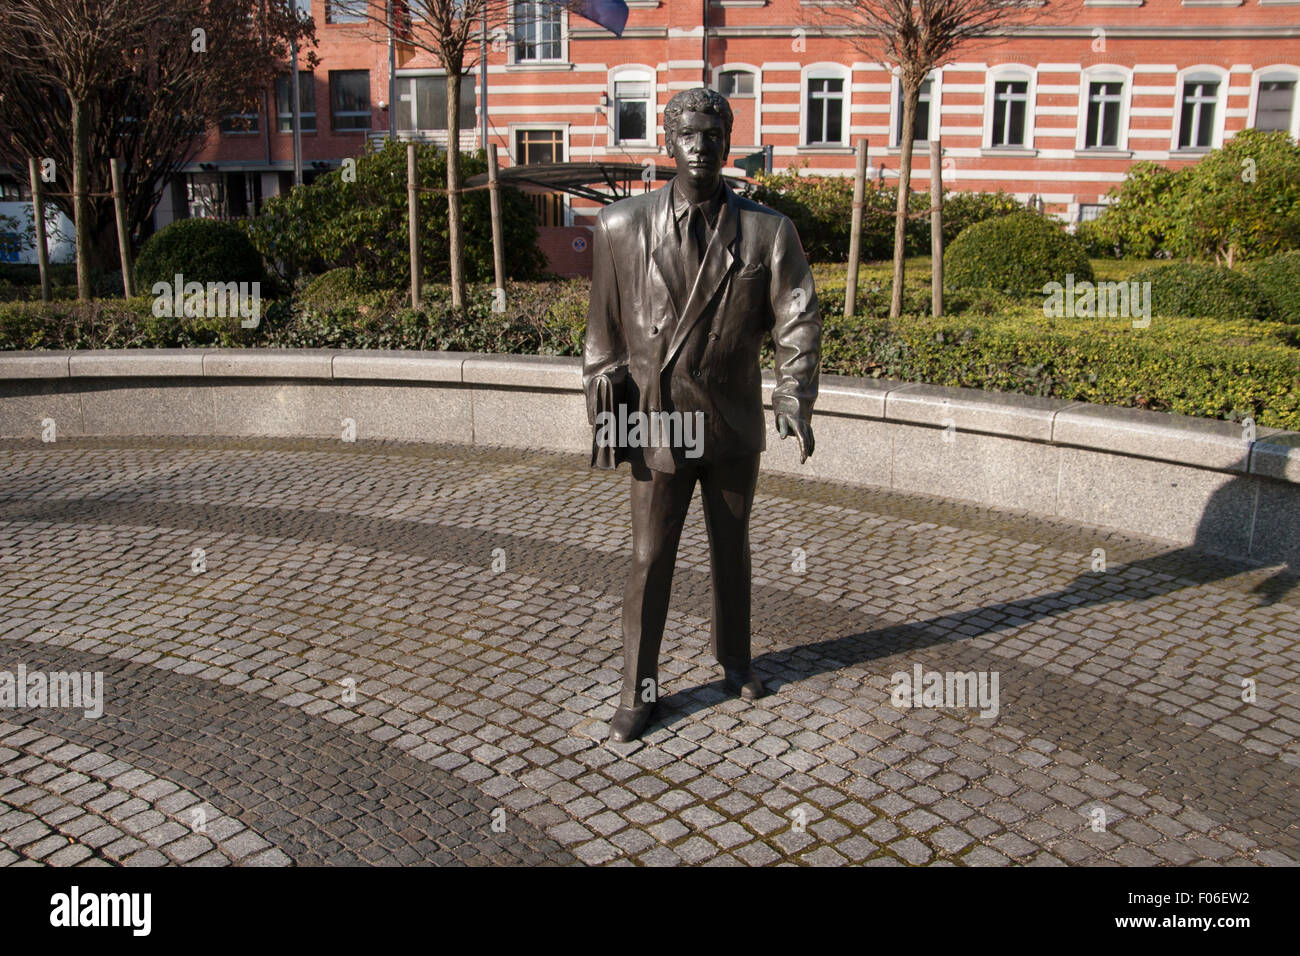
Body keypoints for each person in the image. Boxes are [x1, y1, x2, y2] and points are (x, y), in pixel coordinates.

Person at [583, 87, 822, 742]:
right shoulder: (620, 227)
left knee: (730, 551)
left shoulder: (766, 231)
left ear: (729, 142)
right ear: (667, 142)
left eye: (714, 133)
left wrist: (794, 393)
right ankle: (639, 689)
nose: (701, 144)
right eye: (688, 133)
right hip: (657, 421)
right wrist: (602, 393)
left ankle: (737, 659)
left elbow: (797, 316)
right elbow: (602, 338)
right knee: (650, 555)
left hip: (730, 421)